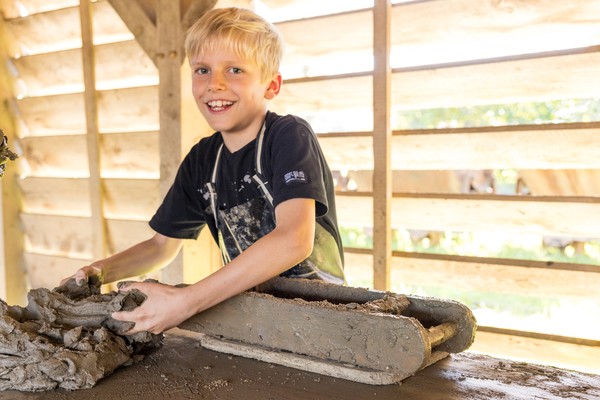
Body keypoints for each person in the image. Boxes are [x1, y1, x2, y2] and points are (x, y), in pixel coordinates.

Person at [60, 7, 345, 335]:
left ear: (271, 85)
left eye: (235, 70)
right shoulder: (202, 160)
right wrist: (97, 271)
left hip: (322, 318)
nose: (215, 84)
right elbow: (160, 247)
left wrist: (187, 300)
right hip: (254, 318)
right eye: (202, 70)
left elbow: (294, 240)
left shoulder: (288, 136)